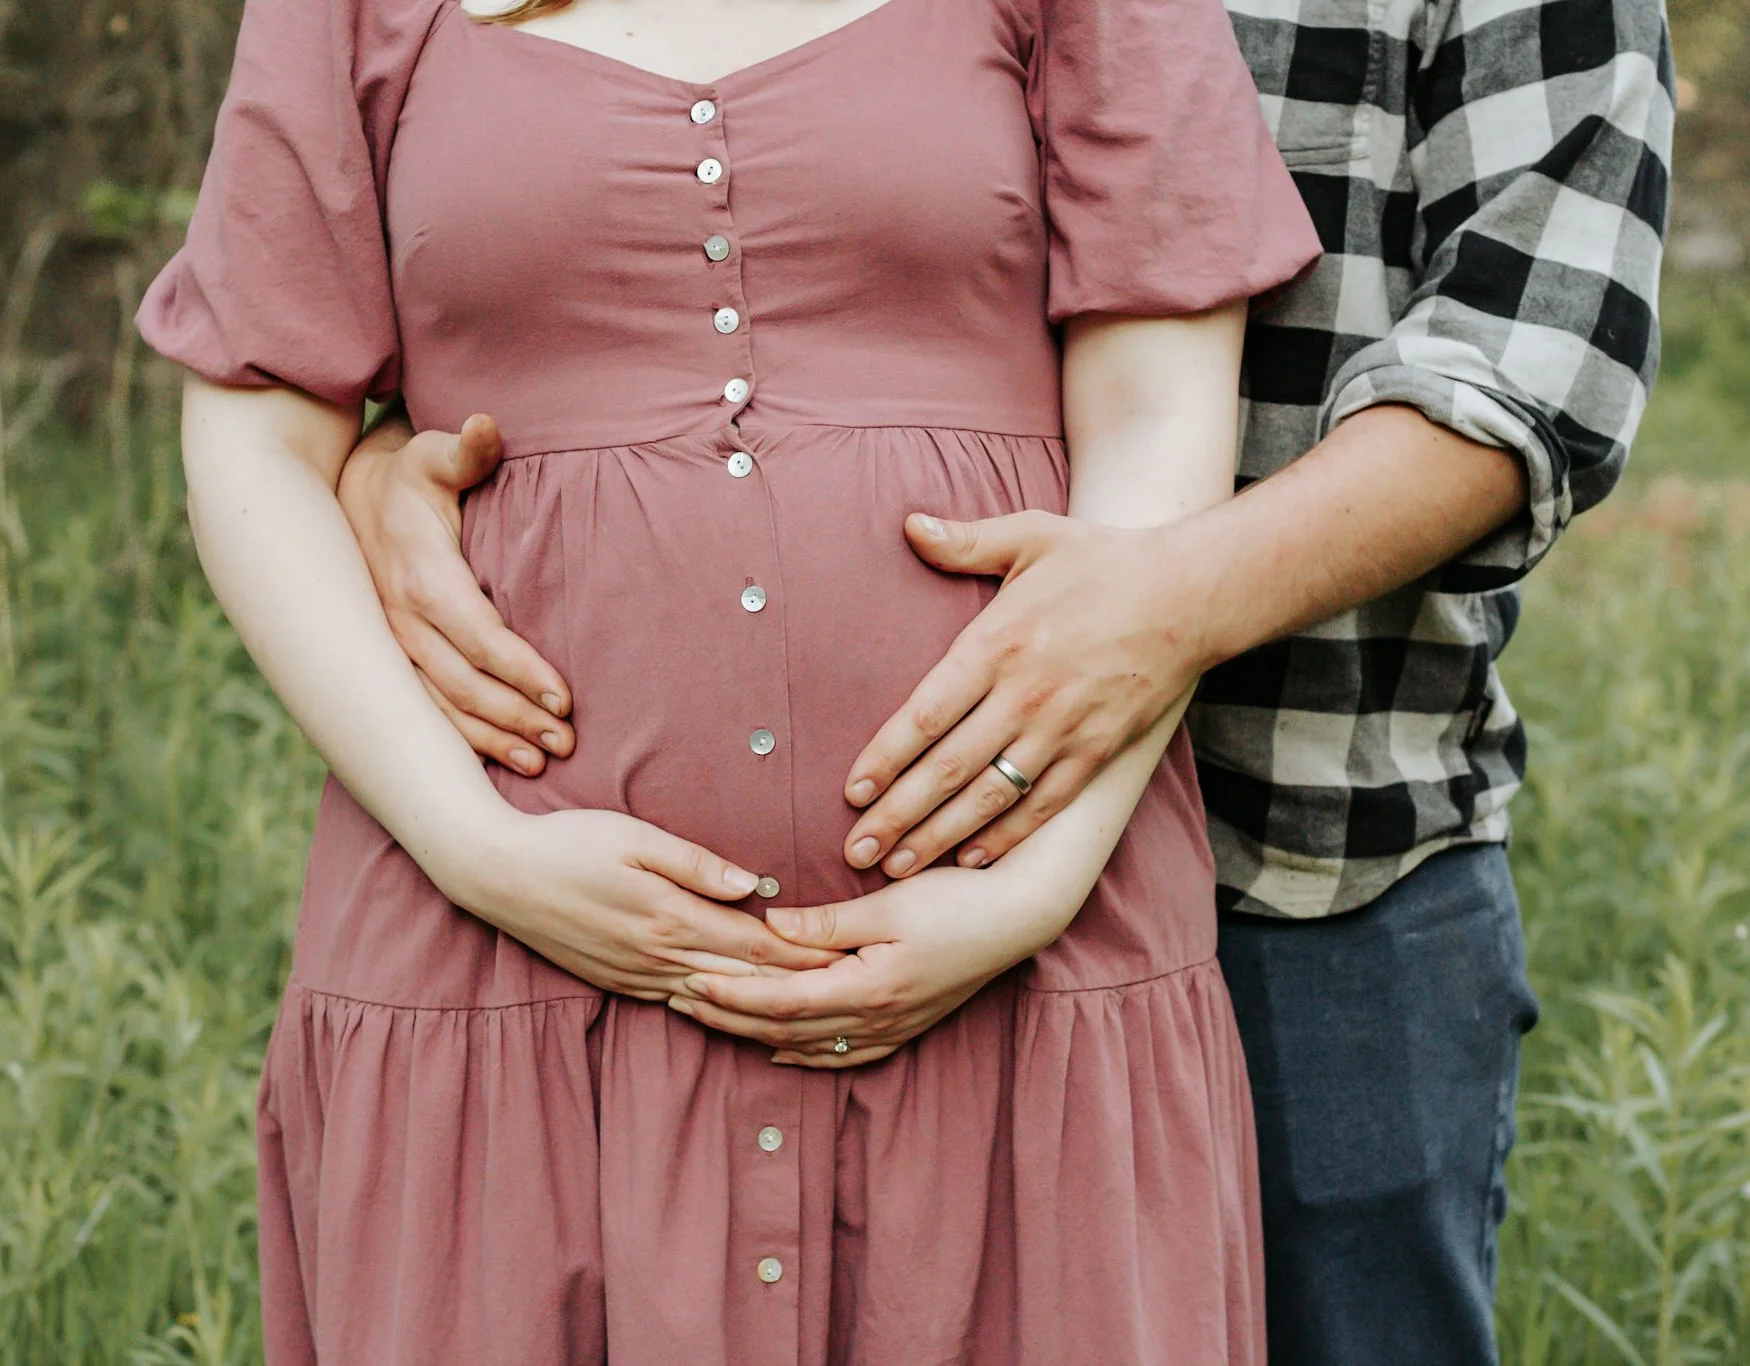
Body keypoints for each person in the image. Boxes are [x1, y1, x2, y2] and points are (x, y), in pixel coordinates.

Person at [339, 0, 1675, 1361]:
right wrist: (385, 458)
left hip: (1310, 858)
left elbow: (1525, 381)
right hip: (854, 900)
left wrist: (1160, 612)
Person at [139, 0, 1322, 1358]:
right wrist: (472, 846)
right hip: (503, 965)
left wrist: (1032, 884)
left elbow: (1161, 413)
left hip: (1016, 954)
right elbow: (251, 436)